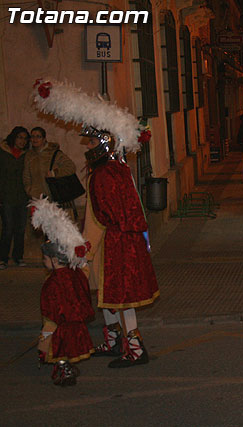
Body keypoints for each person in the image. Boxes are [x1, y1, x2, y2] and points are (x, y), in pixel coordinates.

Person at [32, 78, 160, 369]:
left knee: (121, 299)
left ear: (104, 143)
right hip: (114, 243)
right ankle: (115, 341)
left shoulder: (104, 174)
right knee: (106, 296)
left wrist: (84, 249)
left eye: (91, 141)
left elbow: (100, 217)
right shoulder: (113, 170)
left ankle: (136, 349)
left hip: (114, 244)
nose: (87, 146)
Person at [30, 197, 94, 387]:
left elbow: (50, 309)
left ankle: (63, 369)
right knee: (71, 347)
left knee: (60, 350)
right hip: (77, 323)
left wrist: (46, 335)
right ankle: (67, 367)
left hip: (61, 326)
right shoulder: (76, 274)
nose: (44, 262)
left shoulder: (53, 283)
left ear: (54, 259)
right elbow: (84, 279)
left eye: (45, 259)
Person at [0, 126, 30, 269]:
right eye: (19, 137)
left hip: (23, 197)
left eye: (25, 138)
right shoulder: (3, 152)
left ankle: (18, 256)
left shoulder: (27, 155)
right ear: (13, 137)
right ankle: (3, 258)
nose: (22, 141)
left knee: (20, 229)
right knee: (7, 228)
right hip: (6, 196)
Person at [23, 127, 76, 200]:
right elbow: (26, 176)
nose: (35, 139)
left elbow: (71, 167)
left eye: (38, 136)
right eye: (32, 136)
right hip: (37, 198)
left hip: (55, 196)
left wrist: (55, 173)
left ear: (44, 139)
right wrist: (29, 191)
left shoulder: (54, 153)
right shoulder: (29, 156)